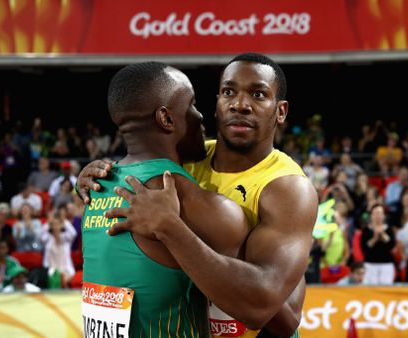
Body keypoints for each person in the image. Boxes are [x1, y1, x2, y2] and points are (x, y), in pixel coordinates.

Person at [77, 53, 317, 338]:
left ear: (280, 111)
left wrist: (172, 229)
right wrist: (98, 174)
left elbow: (282, 317)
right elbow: (145, 150)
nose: (240, 105)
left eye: (258, 94)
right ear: (216, 103)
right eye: (229, 92)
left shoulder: (288, 188)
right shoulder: (186, 161)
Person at [80, 62, 249, 338]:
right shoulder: (188, 199)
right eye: (192, 105)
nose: (200, 116)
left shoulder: (97, 186)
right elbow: (262, 297)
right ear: (166, 119)